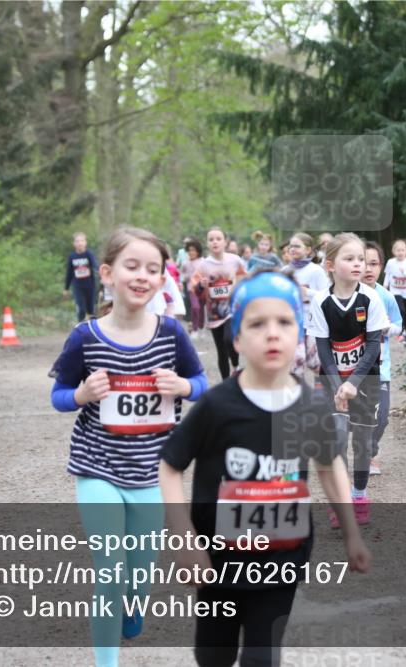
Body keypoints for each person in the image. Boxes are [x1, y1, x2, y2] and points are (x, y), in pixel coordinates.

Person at [159, 270, 371, 667]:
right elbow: (170, 466)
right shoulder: (217, 406)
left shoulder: (311, 406)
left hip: (282, 558)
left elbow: (329, 467)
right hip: (217, 562)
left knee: (262, 657)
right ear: (236, 339)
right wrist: (183, 538)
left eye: (284, 322)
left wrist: (352, 534)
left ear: (299, 335)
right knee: (213, 654)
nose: (272, 333)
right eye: (257, 324)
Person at [49, 227, 208, 667]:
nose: (142, 276)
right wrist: (81, 395)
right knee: (110, 572)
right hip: (96, 467)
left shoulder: (171, 334)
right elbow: (59, 396)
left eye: (152, 269)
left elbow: (201, 385)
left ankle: (133, 607)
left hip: (153, 472)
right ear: (108, 273)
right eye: (131, 266)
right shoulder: (85, 337)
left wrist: (182, 385)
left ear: (162, 280)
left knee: (138, 574)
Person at [309, 233, 390, 526]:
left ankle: (359, 494)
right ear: (330, 264)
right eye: (350, 258)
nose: (358, 264)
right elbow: (323, 349)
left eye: (361, 259)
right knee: (337, 440)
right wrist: (337, 385)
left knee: (363, 444)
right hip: (331, 380)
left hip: (365, 381)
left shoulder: (370, 298)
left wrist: (352, 383)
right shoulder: (321, 301)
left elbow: (372, 347)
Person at [362, 241, 404, 476]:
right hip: (350, 368)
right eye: (365, 263)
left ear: (381, 267)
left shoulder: (386, 297)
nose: (369, 269)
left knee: (382, 417)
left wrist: (387, 329)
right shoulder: (347, 295)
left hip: (380, 368)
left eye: (374, 263)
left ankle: (370, 453)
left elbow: (399, 326)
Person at [191, 227, 247, 379]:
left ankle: (235, 365)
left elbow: (244, 279)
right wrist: (201, 285)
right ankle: (225, 383)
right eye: (211, 239)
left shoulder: (235, 260)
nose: (215, 242)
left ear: (225, 242)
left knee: (229, 339)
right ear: (207, 244)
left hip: (231, 308)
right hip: (214, 313)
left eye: (218, 239)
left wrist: (239, 290)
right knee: (221, 350)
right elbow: (195, 289)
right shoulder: (203, 265)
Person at [283, 232, 330, 380]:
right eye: (291, 246)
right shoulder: (285, 271)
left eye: (297, 246)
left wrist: (307, 292)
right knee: (297, 359)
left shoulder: (316, 271)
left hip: (313, 323)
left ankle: (328, 385)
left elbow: (327, 296)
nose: (293, 249)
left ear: (308, 250)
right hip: (292, 323)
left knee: (313, 362)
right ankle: (298, 397)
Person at [383, 239, 406, 346]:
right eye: (398, 250)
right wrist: (385, 285)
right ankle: (401, 331)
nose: (400, 252)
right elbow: (387, 275)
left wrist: (405, 273)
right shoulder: (390, 262)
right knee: (401, 310)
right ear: (394, 251)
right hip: (395, 291)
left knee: (405, 313)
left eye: (402, 250)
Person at [64, 232, 99, 322]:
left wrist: (100, 273)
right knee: (81, 308)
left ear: (85, 242)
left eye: (82, 241)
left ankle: (92, 328)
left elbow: (95, 265)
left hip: (90, 285)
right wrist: (66, 289)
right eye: (77, 241)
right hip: (78, 286)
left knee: (91, 309)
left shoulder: (89, 254)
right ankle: (80, 327)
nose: (80, 243)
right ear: (74, 244)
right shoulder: (72, 256)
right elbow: (69, 273)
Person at [180, 238, 205, 335]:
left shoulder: (203, 261)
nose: (191, 252)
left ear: (198, 251)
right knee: (195, 307)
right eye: (189, 250)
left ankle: (200, 326)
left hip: (202, 289)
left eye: (194, 250)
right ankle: (194, 329)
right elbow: (182, 275)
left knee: (201, 309)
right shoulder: (185, 263)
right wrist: (187, 278)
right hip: (192, 289)